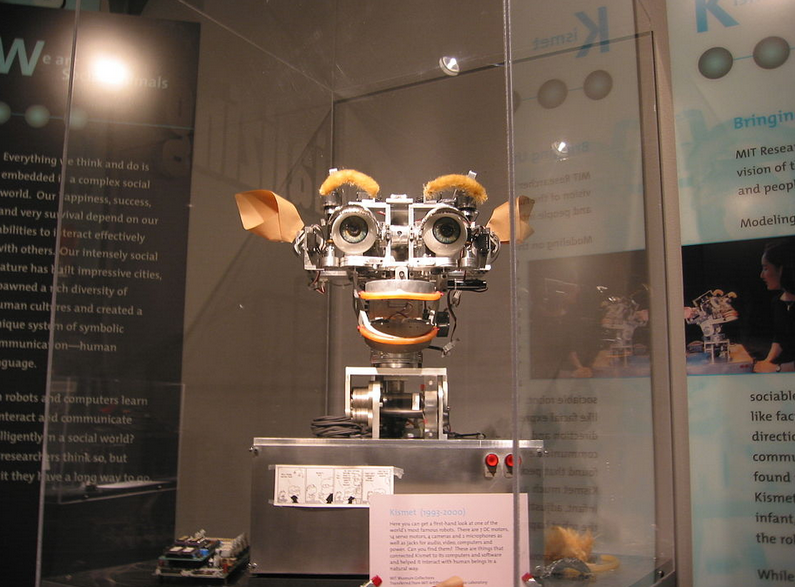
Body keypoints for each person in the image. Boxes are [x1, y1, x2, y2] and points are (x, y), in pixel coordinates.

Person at [754, 239, 795, 373]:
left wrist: (776, 368)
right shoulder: (778, 302)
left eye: (766, 268)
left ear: (782, 270)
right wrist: (767, 361)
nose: (762, 275)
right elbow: (779, 339)